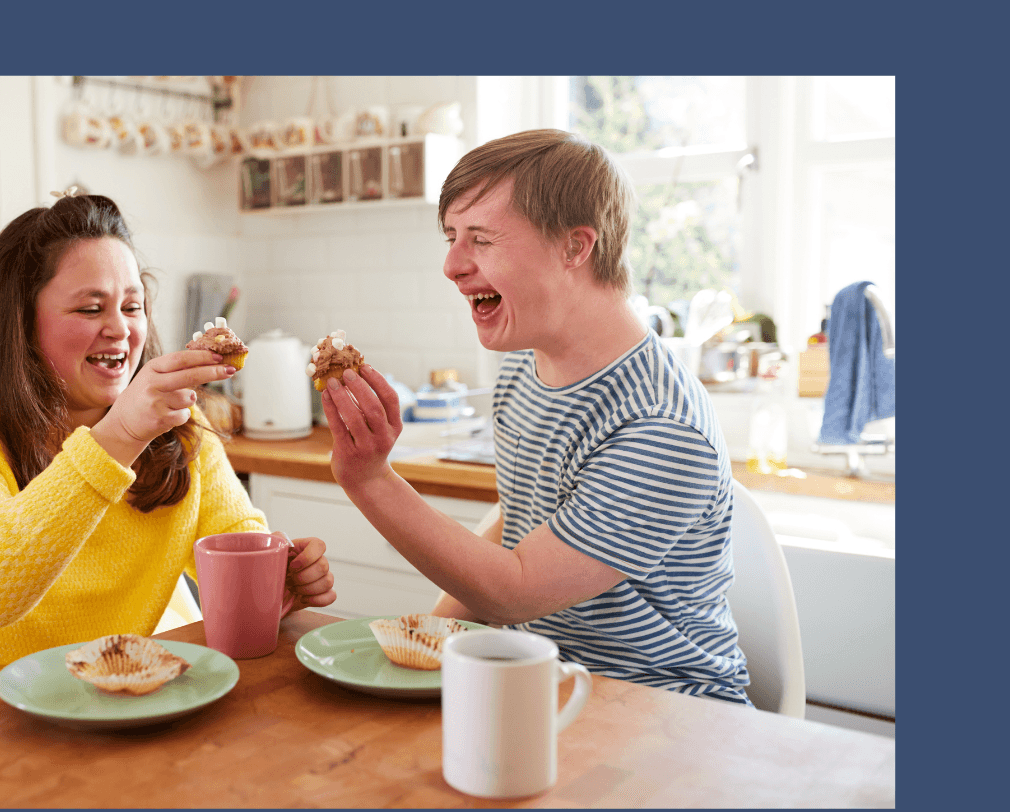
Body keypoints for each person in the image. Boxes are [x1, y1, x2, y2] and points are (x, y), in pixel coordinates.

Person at [321, 130, 750, 705]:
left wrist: (369, 478)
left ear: (575, 247)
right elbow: (522, 517)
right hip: (536, 686)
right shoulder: (526, 368)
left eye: (481, 239)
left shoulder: (661, 425)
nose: (451, 265)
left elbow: (513, 590)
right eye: (451, 237)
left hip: (661, 712)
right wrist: (428, 642)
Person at [0, 190, 335, 713]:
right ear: (19, 322)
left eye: (132, 305)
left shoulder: (177, 424)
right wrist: (119, 438)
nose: (121, 328)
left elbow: (236, 545)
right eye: (91, 308)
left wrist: (279, 578)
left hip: (127, 700)